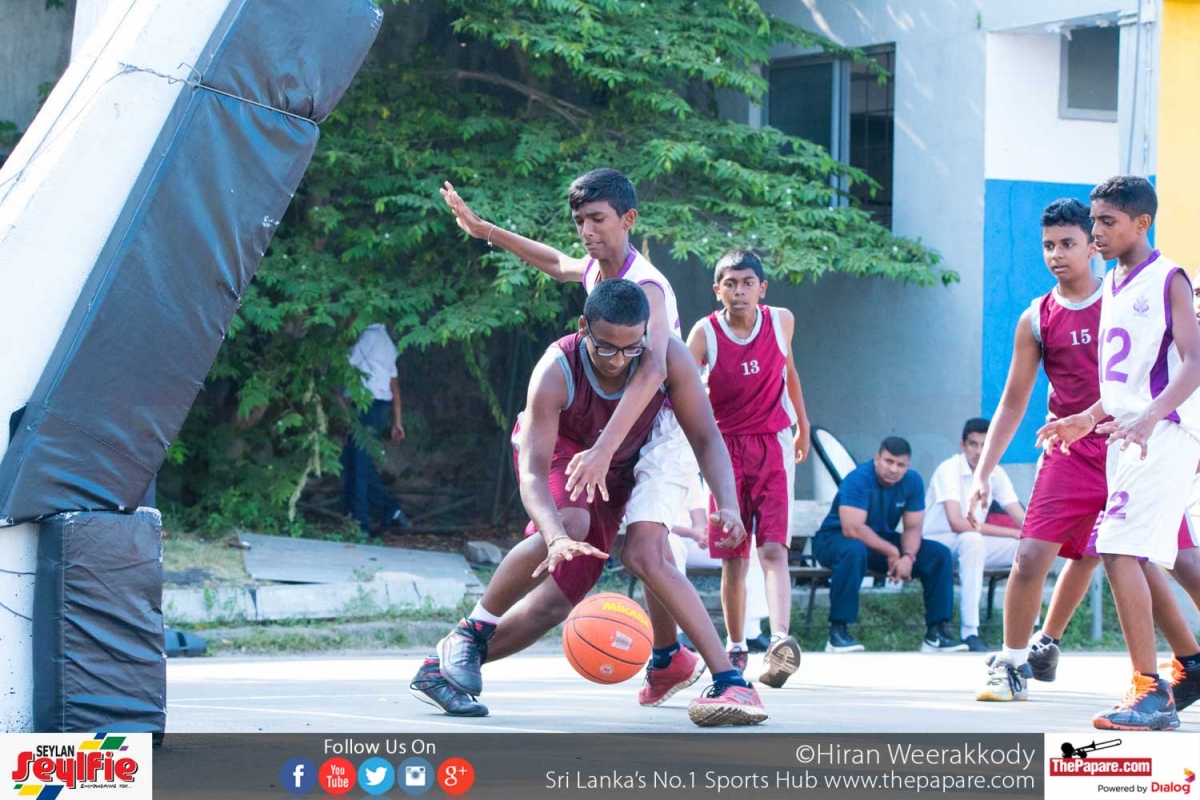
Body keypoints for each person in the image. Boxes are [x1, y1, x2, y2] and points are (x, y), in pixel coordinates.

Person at [410, 280, 768, 726]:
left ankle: (437, 670)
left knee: (555, 604)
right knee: (571, 524)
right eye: (606, 348)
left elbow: (706, 435)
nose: (618, 360)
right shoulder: (555, 370)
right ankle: (472, 628)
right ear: (583, 328)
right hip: (561, 455)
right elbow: (533, 473)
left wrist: (728, 502)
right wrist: (554, 536)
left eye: (631, 349)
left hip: (616, 470)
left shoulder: (666, 357)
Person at [440, 169, 709, 707]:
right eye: (580, 220)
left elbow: (655, 370)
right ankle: (666, 657)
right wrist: (485, 230)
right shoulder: (597, 271)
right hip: (605, 430)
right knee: (599, 538)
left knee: (640, 552)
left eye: (597, 220)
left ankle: (676, 658)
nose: (586, 231)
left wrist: (606, 448)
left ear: (628, 220)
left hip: (653, 427)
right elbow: (557, 263)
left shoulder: (647, 287)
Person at [1037, 175, 1200, 731]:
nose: (1097, 231)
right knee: (1145, 554)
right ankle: (1188, 665)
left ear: (1141, 223)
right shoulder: (1113, 283)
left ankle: (1150, 691)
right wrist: (1086, 418)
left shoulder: (1169, 278)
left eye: (1107, 221)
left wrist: (1152, 415)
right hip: (1124, 433)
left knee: (1116, 547)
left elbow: (1194, 362)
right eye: (1095, 220)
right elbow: (1123, 380)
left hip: (1163, 432)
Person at [685, 250, 810, 687]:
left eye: (747, 283)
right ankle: (736, 645)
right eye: (730, 283)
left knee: (774, 549)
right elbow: (679, 387)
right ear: (717, 290)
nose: (739, 291)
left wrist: (803, 426)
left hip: (773, 444)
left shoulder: (781, 321)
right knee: (734, 557)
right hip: (724, 451)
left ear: (762, 288)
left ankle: (779, 642)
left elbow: (789, 372)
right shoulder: (704, 333)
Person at [813, 436, 963, 654]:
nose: (894, 469)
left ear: (907, 466)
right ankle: (838, 633)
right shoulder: (858, 479)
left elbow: (913, 528)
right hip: (834, 540)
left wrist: (908, 557)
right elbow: (852, 528)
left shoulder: (912, 481)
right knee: (853, 550)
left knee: (938, 554)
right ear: (877, 459)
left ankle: (936, 634)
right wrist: (892, 552)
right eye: (889, 461)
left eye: (900, 464)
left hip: (878, 541)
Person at [922, 418, 1023, 652]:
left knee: (1027, 550)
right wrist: (1012, 532)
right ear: (963, 445)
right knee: (972, 540)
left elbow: (1019, 515)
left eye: (985, 445)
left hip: (971, 544)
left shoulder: (996, 473)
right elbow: (957, 523)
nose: (978, 451)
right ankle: (970, 632)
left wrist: (1035, 537)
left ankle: (1028, 633)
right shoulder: (948, 469)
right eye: (973, 444)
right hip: (938, 545)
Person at [666, 475, 771, 653]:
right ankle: (677, 633)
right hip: (669, 537)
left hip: (693, 541)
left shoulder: (689, 468)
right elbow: (653, 523)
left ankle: (750, 630)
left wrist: (702, 533)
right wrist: (693, 533)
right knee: (673, 546)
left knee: (751, 547)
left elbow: (698, 517)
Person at [340, 322, 410, 535]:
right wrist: (397, 421)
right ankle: (391, 511)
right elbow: (394, 386)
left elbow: (344, 365)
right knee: (358, 463)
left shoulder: (367, 337)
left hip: (365, 404)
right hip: (379, 406)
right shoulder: (388, 343)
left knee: (358, 465)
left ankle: (360, 524)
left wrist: (341, 401)